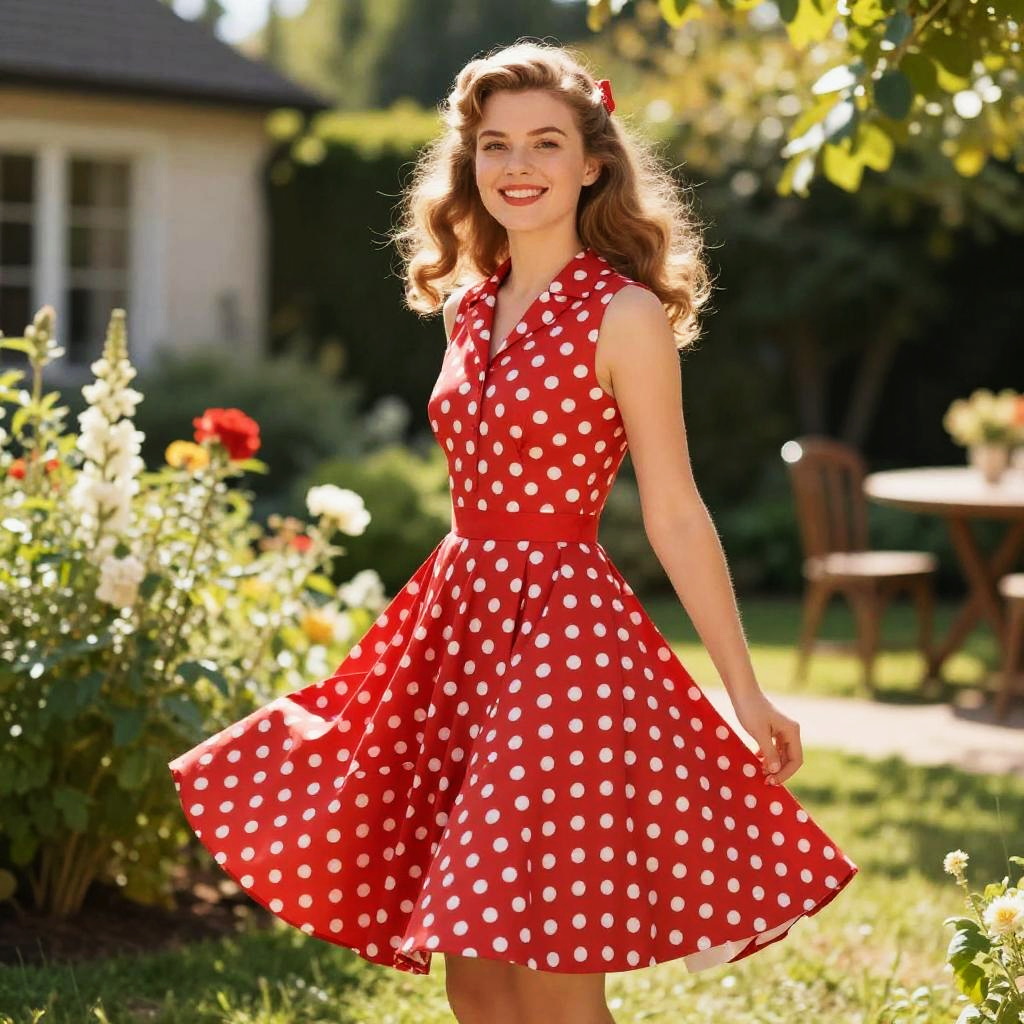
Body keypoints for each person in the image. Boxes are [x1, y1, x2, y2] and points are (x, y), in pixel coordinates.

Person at [168, 39, 859, 1024]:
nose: (518, 166)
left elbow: (673, 507)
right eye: (495, 145)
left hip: (564, 650)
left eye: (545, 143)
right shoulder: (464, 308)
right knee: (476, 977)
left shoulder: (624, 316)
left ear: (592, 163)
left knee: (551, 962)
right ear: (470, 163)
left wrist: (743, 691)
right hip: (455, 632)